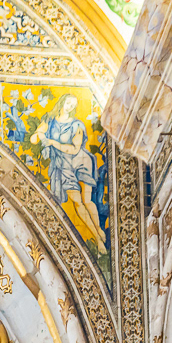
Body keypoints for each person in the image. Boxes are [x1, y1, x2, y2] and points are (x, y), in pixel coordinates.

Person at [30, 95, 105, 254]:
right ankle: (98, 239)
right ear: (62, 101)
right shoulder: (50, 120)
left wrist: (52, 142)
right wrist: (39, 135)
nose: (70, 106)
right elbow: (34, 139)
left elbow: (74, 149)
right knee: (77, 201)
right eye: (68, 102)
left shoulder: (77, 125)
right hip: (62, 165)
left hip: (81, 161)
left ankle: (98, 229)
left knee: (87, 200)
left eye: (73, 104)